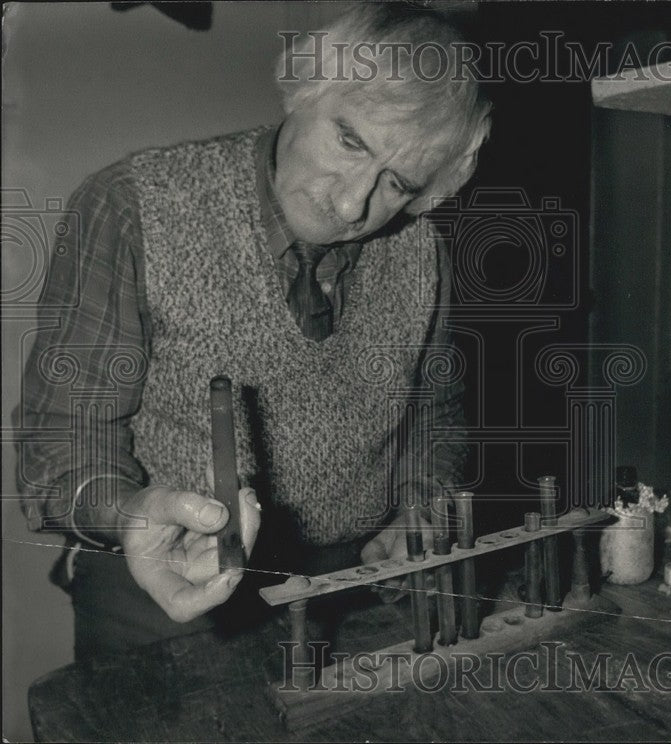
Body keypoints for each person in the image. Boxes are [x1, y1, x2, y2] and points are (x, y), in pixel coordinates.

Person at [15, 4, 491, 660]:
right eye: (350, 142)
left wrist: (420, 507)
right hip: (159, 586)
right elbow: (61, 442)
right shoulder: (131, 207)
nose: (351, 202)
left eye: (397, 183)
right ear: (305, 86)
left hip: (349, 592)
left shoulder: (423, 251)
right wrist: (131, 514)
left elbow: (435, 415)